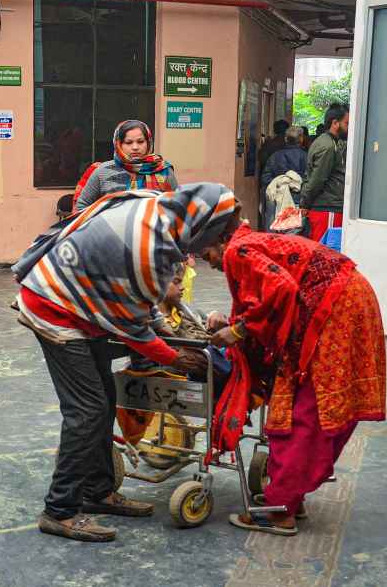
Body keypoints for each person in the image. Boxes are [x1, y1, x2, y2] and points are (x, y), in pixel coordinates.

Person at [12, 183, 235, 542]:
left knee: (102, 401)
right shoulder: (150, 248)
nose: (219, 242)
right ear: (202, 226)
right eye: (220, 233)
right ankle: (60, 510)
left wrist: (168, 333)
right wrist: (176, 358)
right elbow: (135, 330)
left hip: (85, 304)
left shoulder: (160, 215)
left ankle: (96, 491)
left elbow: (141, 300)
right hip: (56, 308)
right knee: (86, 411)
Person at [197, 210, 386, 536]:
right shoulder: (249, 243)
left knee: (304, 410)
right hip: (345, 299)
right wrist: (232, 324)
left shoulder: (236, 250)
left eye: (207, 254)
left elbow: (280, 290)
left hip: (333, 307)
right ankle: (288, 497)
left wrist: (239, 331)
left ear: (219, 240)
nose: (210, 263)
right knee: (308, 403)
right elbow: (269, 298)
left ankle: (279, 510)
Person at [74, 120, 177, 211]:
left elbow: (177, 206)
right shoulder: (102, 172)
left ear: (148, 142)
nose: (135, 147)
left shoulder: (164, 171)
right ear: (118, 144)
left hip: (154, 231)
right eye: (128, 142)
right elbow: (82, 206)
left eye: (140, 142)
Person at [300, 104, 348, 242]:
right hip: (327, 209)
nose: (349, 127)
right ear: (335, 123)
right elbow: (317, 180)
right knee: (325, 254)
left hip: (326, 207)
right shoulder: (328, 146)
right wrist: (304, 204)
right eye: (347, 123)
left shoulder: (330, 142)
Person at [260, 126, 308, 228]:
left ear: (285, 139)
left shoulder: (274, 156)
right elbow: (309, 181)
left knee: (272, 231)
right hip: (297, 199)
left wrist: (279, 183)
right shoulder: (306, 157)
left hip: (275, 199)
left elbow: (265, 178)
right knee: (293, 232)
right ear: (301, 139)